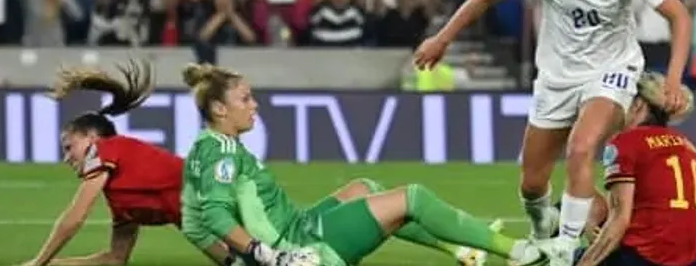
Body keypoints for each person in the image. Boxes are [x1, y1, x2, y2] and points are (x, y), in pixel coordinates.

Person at [413, 0, 694, 266]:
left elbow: (679, 15)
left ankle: (565, 247)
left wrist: (674, 79)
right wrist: (443, 38)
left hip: (613, 70)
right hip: (557, 78)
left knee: (581, 148)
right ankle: (546, 231)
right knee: (532, 184)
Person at [178, 63, 554, 266]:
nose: (254, 104)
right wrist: (271, 258)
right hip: (301, 244)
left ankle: (463, 249)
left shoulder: (210, 147)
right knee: (414, 198)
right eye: (245, 98)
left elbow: (194, 222)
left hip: (297, 227)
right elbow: (214, 218)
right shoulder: (219, 154)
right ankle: (519, 253)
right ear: (219, 109)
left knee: (364, 187)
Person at [17, 59, 234, 266]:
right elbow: (115, 259)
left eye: (69, 147)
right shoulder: (124, 200)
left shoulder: (104, 149)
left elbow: (75, 218)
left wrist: (40, 261)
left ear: (92, 138)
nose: (66, 158)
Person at [575, 72, 696, 266]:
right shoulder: (687, 144)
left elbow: (620, 220)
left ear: (637, 105)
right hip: (694, 261)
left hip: (646, 258)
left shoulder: (626, 142)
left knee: (568, 254)